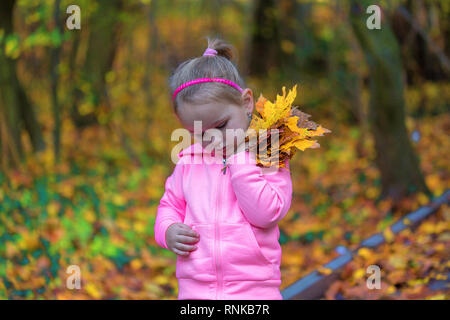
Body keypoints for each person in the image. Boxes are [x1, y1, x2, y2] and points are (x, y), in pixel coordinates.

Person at [154, 37, 293, 300]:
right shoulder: (188, 161)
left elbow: (266, 214)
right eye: (198, 132)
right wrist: (168, 229)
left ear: (246, 103)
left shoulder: (268, 155)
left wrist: (240, 159)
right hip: (196, 291)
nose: (212, 139)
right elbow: (169, 205)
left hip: (254, 291)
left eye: (220, 126)